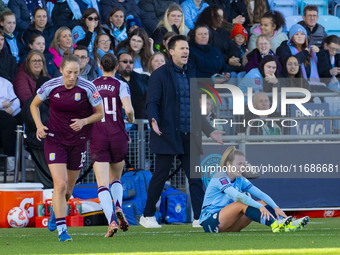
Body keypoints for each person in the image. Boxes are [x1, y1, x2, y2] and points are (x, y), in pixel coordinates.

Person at [139, 35, 224, 228]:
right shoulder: (159, 75)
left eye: (187, 48)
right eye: (182, 48)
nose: (186, 51)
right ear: (171, 51)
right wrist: (153, 119)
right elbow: (152, 102)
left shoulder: (191, 75)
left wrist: (210, 131)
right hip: (167, 134)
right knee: (160, 176)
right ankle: (147, 215)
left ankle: (199, 216)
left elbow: (194, 108)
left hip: (190, 135)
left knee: (195, 178)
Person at [30, 54, 104, 242]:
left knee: (69, 190)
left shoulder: (88, 87)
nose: (72, 76)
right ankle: (63, 231)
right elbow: (34, 105)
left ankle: (57, 213)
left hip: (78, 141)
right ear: (61, 70)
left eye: (76, 73)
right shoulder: (51, 85)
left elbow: (100, 113)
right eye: (69, 72)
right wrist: (39, 126)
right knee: (60, 184)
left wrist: (84, 121)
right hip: (55, 139)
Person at [199, 146, 310, 233]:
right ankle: (275, 224)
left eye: (243, 164)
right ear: (228, 164)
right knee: (242, 203)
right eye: (239, 164)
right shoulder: (220, 177)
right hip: (211, 222)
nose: (242, 167)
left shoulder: (240, 179)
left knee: (264, 202)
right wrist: (259, 207)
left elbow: (261, 194)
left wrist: (276, 207)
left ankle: (286, 223)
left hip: (229, 223)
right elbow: (239, 197)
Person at [91, 53, 134, 237]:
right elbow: (129, 110)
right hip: (118, 135)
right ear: (117, 67)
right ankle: (118, 205)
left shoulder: (92, 85)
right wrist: (129, 120)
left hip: (98, 135)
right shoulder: (121, 84)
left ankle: (111, 221)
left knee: (102, 184)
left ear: (100, 66)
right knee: (116, 179)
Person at [22, 76, 52, 188]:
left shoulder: (52, 101)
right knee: (45, 179)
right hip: (39, 144)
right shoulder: (32, 102)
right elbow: (34, 124)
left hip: (53, 144)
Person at [115, 51, 149, 119]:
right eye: (125, 61)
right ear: (117, 64)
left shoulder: (143, 79)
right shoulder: (113, 80)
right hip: (121, 120)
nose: (128, 64)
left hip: (141, 121)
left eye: (131, 62)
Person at [0, 76, 22, 171]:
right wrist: (2, 105)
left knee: (24, 116)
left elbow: (15, 100)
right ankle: (10, 156)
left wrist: (12, 108)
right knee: (10, 122)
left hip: (9, 112)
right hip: (2, 111)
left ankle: (24, 154)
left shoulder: (5, 82)